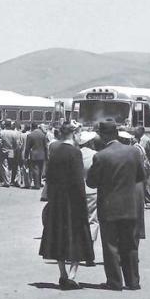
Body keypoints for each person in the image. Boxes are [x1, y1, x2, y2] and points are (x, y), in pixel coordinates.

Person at [86, 121, 147, 291]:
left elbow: (91, 182)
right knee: (130, 245)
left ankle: (115, 281)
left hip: (109, 206)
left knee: (111, 245)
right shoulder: (133, 152)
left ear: (103, 135)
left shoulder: (101, 156)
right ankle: (133, 281)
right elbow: (140, 176)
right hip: (130, 206)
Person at [40, 123, 95, 289]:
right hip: (73, 202)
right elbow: (78, 181)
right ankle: (72, 275)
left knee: (58, 237)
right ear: (74, 134)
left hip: (57, 202)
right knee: (77, 237)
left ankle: (62, 273)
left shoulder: (55, 152)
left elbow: (48, 177)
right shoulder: (75, 153)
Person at [134, 126, 150, 209]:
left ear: (141, 132)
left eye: (136, 131)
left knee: (146, 184)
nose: (135, 133)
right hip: (137, 165)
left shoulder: (147, 140)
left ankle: (148, 202)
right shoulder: (135, 139)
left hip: (145, 165)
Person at [25, 122, 49, 189]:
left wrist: (26, 157)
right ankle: (38, 183)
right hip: (42, 155)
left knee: (36, 170)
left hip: (34, 155)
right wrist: (47, 156)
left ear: (32, 127)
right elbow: (46, 147)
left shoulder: (30, 135)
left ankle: (37, 185)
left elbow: (27, 148)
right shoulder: (43, 135)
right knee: (40, 170)